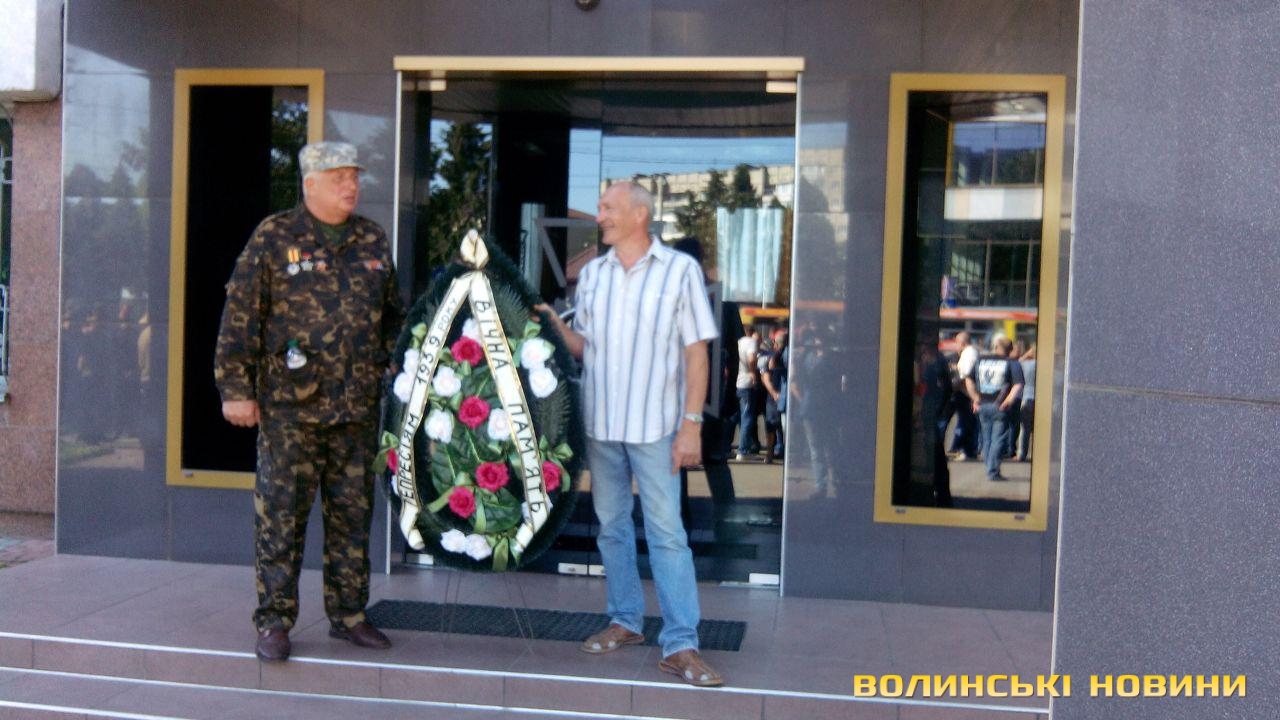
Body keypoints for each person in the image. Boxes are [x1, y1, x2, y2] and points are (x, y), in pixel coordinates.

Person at [214, 141, 405, 663]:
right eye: (339, 176)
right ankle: (274, 621)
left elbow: (393, 314)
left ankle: (349, 615)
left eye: (354, 176)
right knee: (281, 517)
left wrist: (397, 362)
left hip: (356, 408)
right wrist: (235, 389)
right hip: (290, 411)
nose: (351, 185)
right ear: (310, 183)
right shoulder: (274, 236)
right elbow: (241, 314)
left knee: (352, 517)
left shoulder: (371, 238)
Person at [541, 182, 723, 687]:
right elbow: (586, 349)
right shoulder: (593, 275)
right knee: (612, 528)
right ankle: (625, 620)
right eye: (600, 208)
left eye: (608, 208)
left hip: (656, 428)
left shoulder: (679, 271)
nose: (599, 216)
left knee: (667, 535)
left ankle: (681, 643)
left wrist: (691, 426)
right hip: (601, 426)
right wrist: (555, 325)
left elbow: (696, 354)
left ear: (640, 214)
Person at [672, 237, 743, 537]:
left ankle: (680, 525)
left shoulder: (674, 296)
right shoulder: (720, 300)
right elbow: (735, 355)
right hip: (713, 393)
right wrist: (730, 396)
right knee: (715, 460)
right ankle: (726, 523)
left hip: (681, 394)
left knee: (677, 464)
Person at [964, 334, 1024, 482]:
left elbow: (968, 379)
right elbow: (1018, 384)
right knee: (998, 438)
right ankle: (993, 471)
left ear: (995, 346)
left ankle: (988, 466)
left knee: (986, 438)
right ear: (1010, 349)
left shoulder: (981, 360)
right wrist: (1008, 401)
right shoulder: (1012, 363)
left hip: (982, 404)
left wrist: (975, 397)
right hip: (1000, 406)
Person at [948, 331, 979, 460]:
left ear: (963, 342)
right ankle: (965, 449)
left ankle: (961, 449)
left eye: (957, 342)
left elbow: (965, 374)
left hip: (965, 393)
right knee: (967, 422)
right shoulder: (968, 353)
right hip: (965, 393)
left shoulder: (969, 353)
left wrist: (955, 372)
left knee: (965, 422)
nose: (955, 345)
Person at [735, 328, 761, 459]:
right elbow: (751, 359)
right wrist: (752, 372)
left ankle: (740, 446)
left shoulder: (738, 342)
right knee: (748, 417)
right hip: (746, 382)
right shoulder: (751, 342)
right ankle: (743, 450)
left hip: (737, 381)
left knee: (738, 417)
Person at [1016, 344, 1037, 461]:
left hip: (1026, 397)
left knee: (1024, 428)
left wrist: (1026, 355)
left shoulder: (1025, 364)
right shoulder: (1047, 366)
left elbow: (1017, 363)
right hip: (1041, 400)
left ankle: (1021, 453)